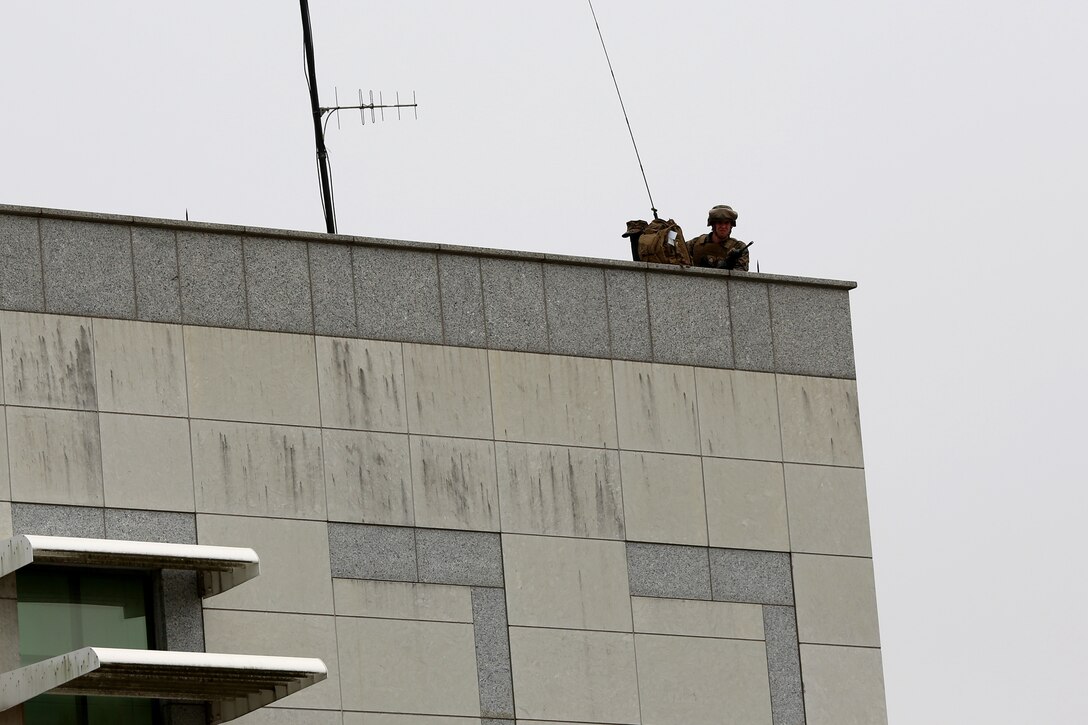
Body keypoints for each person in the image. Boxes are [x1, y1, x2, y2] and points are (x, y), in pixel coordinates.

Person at [689, 204, 749, 271]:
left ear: (731, 226)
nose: (723, 227)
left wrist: (729, 265)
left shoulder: (739, 247)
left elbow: (739, 276)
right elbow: (679, 258)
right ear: (713, 225)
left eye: (726, 223)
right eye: (720, 223)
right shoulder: (695, 243)